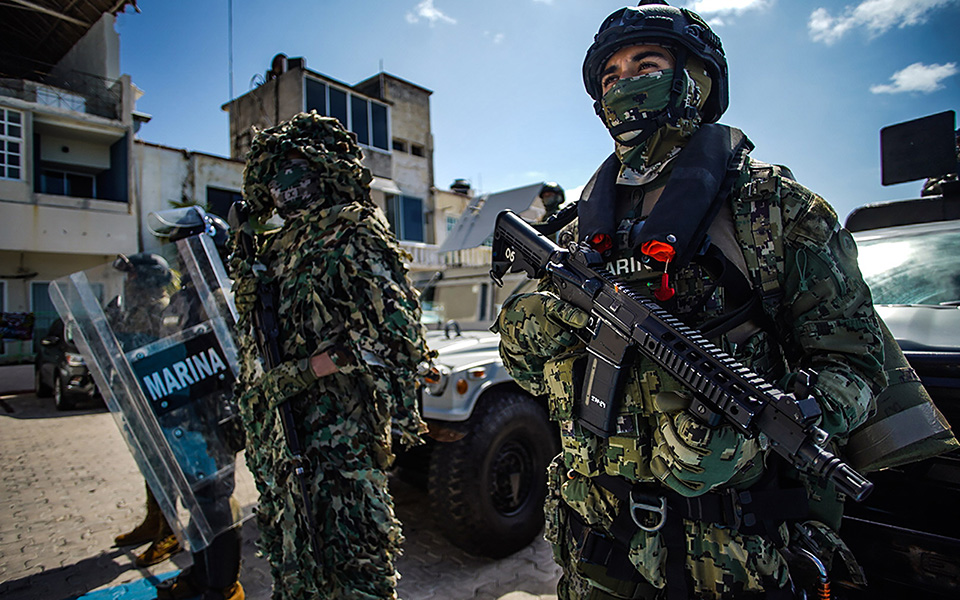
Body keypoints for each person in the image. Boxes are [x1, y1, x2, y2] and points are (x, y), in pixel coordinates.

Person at [495, 2, 885, 599]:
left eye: (646, 63)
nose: (626, 84)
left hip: (733, 553)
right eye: (611, 76)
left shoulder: (772, 210)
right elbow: (520, 359)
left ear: (698, 79)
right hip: (596, 541)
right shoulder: (576, 232)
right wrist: (552, 316)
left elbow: (855, 363)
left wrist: (752, 431)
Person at [230, 112, 428, 599]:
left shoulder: (351, 233)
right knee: (295, 574)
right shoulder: (270, 251)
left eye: (297, 164)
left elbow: (398, 340)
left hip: (338, 446)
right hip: (279, 446)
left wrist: (309, 370)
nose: (285, 182)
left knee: (355, 575)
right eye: (276, 169)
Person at [148, 207, 245, 600]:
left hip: (214, 420)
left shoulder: (221, 296)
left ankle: (223, 587)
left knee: (215, 500)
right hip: (183, 418)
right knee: (197, 499)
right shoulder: (183, 297)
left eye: (185, 243)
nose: (177, 252)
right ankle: (201, 575)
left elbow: (236, 360)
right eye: (176, 246)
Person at [109, 253, 183, 569]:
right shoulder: (134, 310)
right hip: (135, 400)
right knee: (148, 464)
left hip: (160, 403)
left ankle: (170, 530)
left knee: (164, 466)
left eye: (134, 277)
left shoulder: (165, 311)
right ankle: (154, 520)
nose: (129, 283)